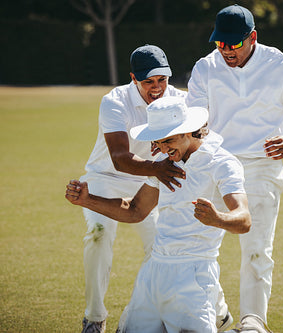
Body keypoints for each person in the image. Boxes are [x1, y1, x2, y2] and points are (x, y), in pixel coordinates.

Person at [185, 4, 283, 327]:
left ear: (253, 38)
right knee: (193, 241)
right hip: (217, 164)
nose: (226, 51)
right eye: (220, 44)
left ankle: (252, 321)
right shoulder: (205, 68)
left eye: (233, 44)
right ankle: (216, 310)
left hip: (264, 165)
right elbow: (194, 121)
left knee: (257, 250)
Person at [66, 96, 251, 333]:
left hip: (193, 275)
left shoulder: (223, 163)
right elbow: (135, 210)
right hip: (152, 274)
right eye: (158, 142)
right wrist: (88, 200)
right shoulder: (164, 163)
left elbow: (244, 219)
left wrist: (217, 219)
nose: (163, 149)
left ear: (190, 131)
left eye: (169, 140)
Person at [77, 44, 187, 333]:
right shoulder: (114, 101)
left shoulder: (178, 99)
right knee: (98, 235)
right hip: (105, 176)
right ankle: (94, 316)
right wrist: (158, 169)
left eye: (162, 80)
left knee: (163, 248)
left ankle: (145, 317)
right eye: (148, 81)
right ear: (133, 78)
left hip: (149, 180)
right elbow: (120, 158)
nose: (157, 88)